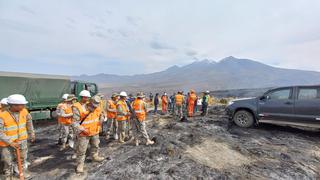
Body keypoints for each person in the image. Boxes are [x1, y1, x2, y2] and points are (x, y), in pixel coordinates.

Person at [0, 94, 35, 179]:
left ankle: (21, 173)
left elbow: (29, 123)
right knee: (8, 161)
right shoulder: (2, 115)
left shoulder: (24, 111)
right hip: (6, 143)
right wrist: (10, 142)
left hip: (22, 141)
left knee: (22, 158)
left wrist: (32, 133)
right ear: (13, 105)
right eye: (22, 104)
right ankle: (8, 176)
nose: (24, 106)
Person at [72, 95, 105, 173]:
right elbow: (74, 123)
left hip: (95, 132)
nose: (95, 107)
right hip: (84, 133)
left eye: (96, 105)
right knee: (82, 150)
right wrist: (83, 129)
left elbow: (101, 115)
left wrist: (102, 118)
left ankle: (95, 156)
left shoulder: (97, 107)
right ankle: (80, 164)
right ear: (90, 102)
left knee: (95, 146)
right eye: (93, 105)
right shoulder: (79, 108)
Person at [71, 90, 91, 160]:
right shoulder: (76, 106)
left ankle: (84, 153)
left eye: (88, 97)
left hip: (87, 126)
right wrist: (81, 128)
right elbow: (75, 120)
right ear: (82, 97)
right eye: (86, 97)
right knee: (77, 140)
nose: (87, 99)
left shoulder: (89, 104)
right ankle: (75, 152)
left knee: (84, 143)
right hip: (79, 126)